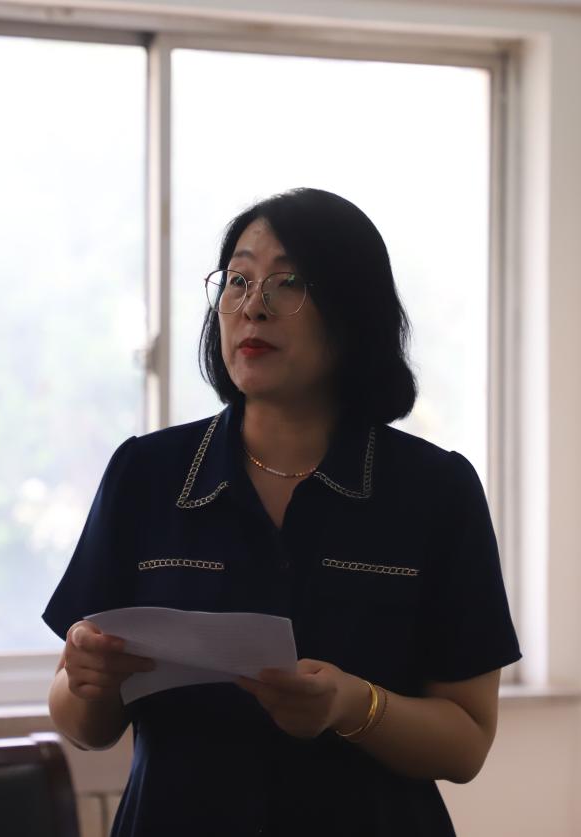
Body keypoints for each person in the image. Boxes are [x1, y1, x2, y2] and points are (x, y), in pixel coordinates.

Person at [43, 187, 520, 837]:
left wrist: (353, 705)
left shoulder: (436, 490)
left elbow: (466, 743)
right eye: (238, 280)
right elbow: (80, 720)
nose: (253, 305)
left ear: (353, 311)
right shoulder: (147, 473)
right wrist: (88, 682)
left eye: (287, 282)